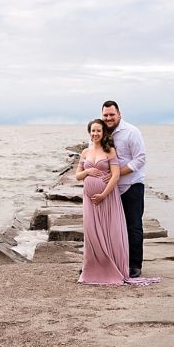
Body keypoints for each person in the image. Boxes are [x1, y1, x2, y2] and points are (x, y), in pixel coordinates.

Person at [75, 119, 129, 284]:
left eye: (98, 131)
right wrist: (88, 171)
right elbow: (77, 175)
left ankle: (109, 267)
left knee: (109, 232)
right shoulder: (85, 152)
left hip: (106, 199)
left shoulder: (110, 151)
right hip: (89, 200)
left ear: (104, 133)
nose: (95, 134)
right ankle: (93, 268)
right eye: (92, 131)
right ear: (89, 133)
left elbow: (116, 175)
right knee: (91, 233)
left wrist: (103, 194)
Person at [101, 100, 147, 278]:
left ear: (119, 114)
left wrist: (117, 173)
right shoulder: (101, 131)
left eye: (112, 114)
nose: (109, 118)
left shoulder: (131, 132)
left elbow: (140, 159)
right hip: (110, 188)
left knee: (133, 226)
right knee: (111, 227)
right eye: (105, 115)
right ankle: (115, 261)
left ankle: (134, 265)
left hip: (132, 185)